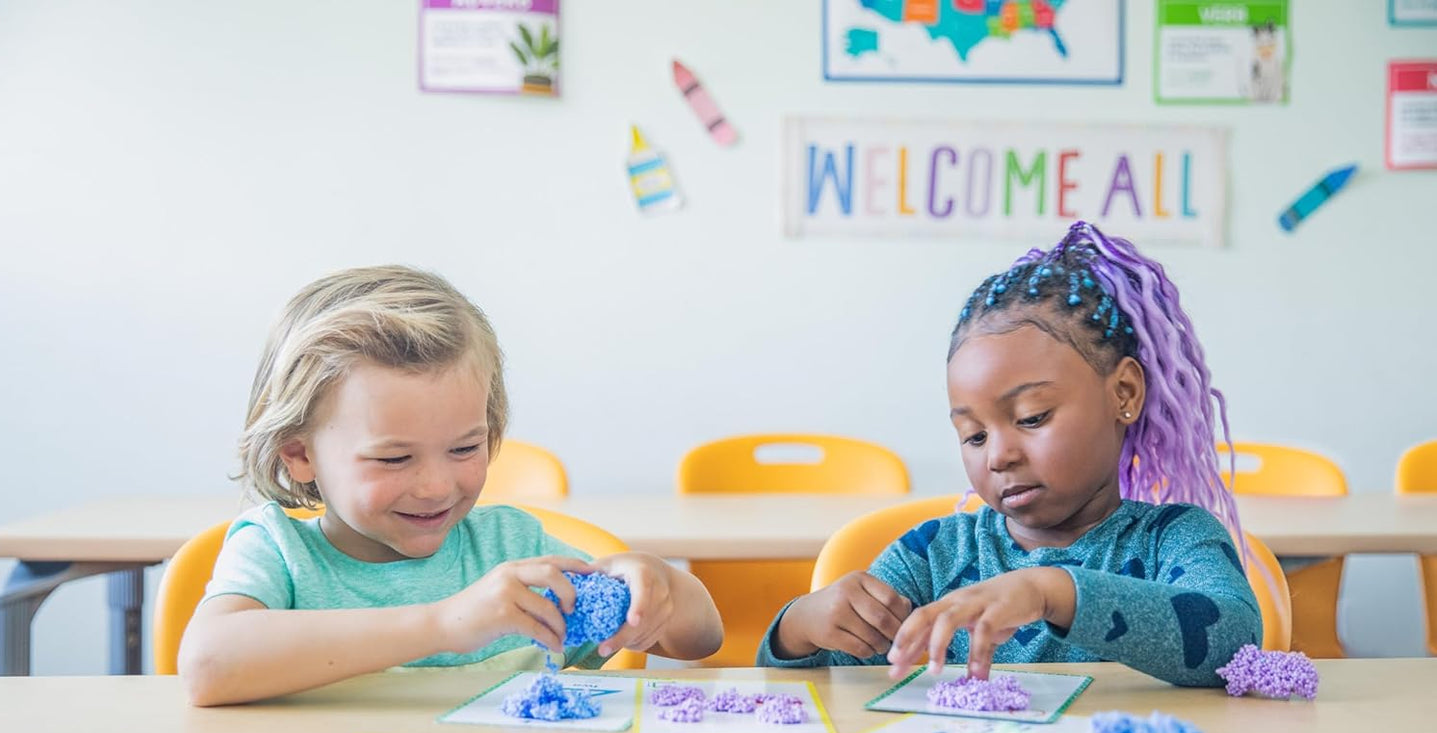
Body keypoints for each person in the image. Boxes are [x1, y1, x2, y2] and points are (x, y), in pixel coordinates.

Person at [180, 266, 721, 705]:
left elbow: (701, 640)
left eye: (465, 448)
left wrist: (660, 587)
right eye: (394, 458)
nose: (437, 486)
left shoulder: (511, 550)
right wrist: (444, 623)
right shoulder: (277, 552)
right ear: (300, 454)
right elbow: (208, 666)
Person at [758, 222, 1259, 686]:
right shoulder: (931, 558)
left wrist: (1051, 591)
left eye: (1032, 417)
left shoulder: (1173, 539)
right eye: (974, 436)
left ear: (1124, 393)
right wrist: (799, 629)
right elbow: (817, 685)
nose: (998, 456)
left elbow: (1234, 642)